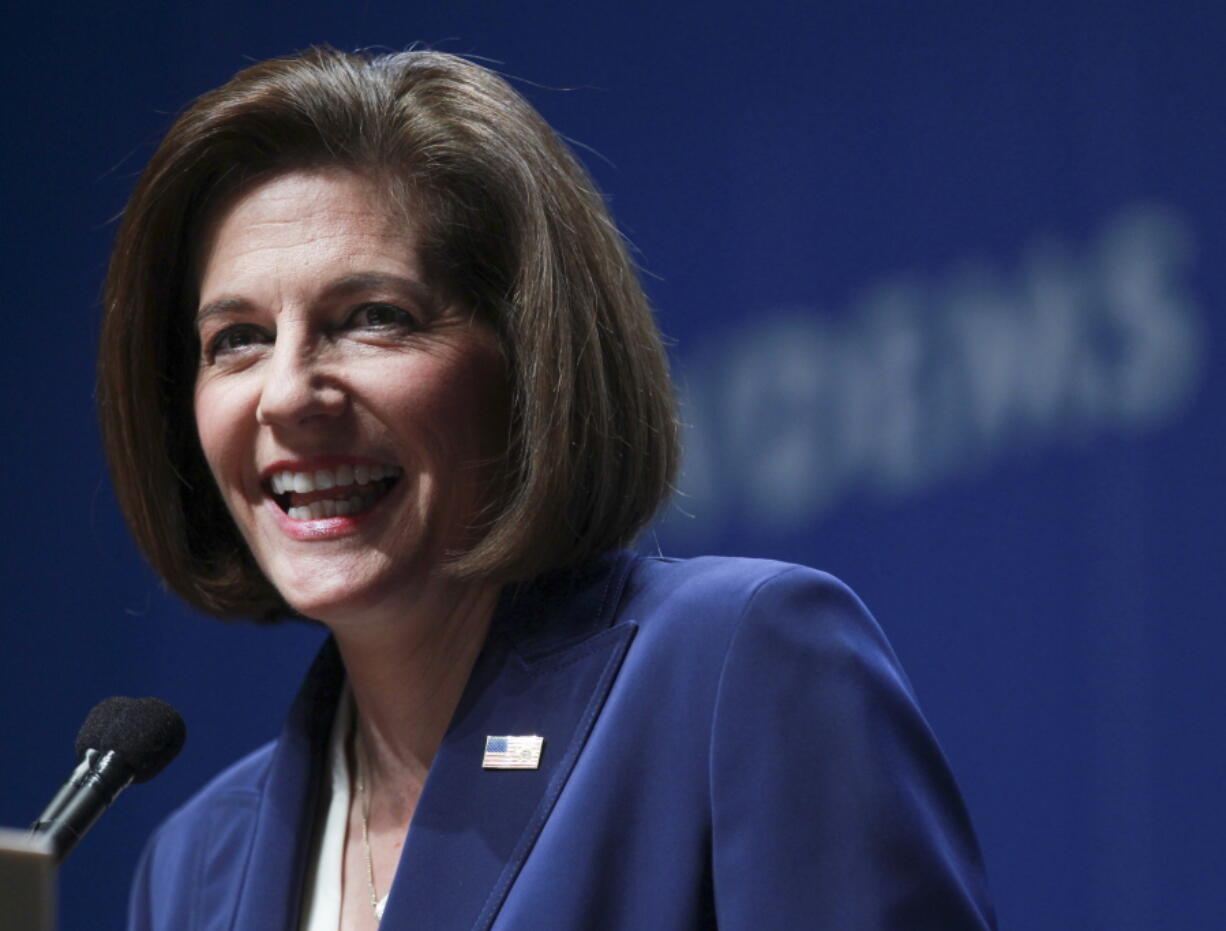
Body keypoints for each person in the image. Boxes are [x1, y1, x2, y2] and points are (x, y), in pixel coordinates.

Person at [100, 47, 997, 930]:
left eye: (373, 318)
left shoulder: (735, 669)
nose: (289, 393)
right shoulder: (195, 866)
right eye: (237, 339)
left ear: (528, 360)